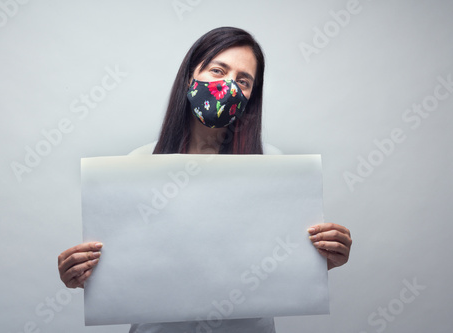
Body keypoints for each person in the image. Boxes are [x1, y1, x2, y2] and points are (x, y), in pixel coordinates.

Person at [58, 27, 352, 332]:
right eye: (217, 70)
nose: (228, 86)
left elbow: (284, 261)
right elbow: (123, 266)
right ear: (190, 76)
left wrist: (320, 260)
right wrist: (84, 274)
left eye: (243, 80)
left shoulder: (274, 166)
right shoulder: (138, 165)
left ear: (252, 96)